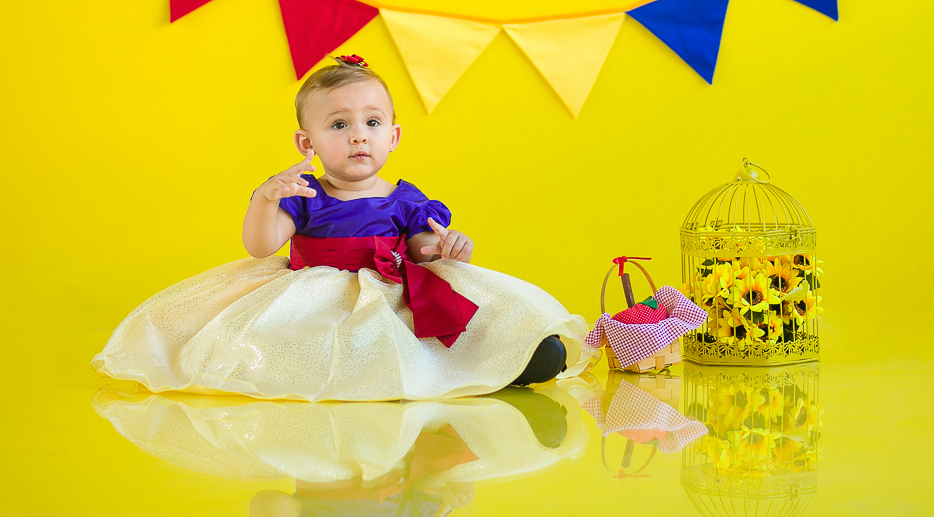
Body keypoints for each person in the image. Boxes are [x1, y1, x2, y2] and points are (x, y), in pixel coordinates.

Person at [92, 55, 596, 400]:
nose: (358, 136)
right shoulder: (304, 194)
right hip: (315, 298)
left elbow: (424, 246)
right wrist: (266, 198)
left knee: (448, 333)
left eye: (372, 123)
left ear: (393, 136)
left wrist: (445, 245)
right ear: (306, 143)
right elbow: (260, 246)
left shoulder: (406, 199)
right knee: (288, 347)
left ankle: (508, 357)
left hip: (393, 294)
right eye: (339, 125)